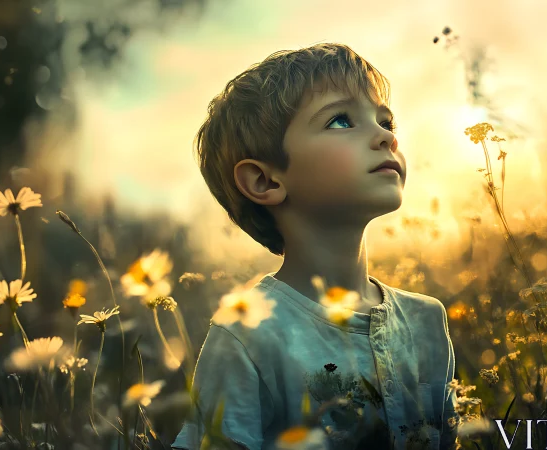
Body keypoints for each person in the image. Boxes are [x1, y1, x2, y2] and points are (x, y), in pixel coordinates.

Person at [172, 43, 459, 450]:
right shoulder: (246, 337)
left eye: (386, 122)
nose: (385, 137)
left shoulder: (426, 320)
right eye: (341, 121)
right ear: (265, 181)